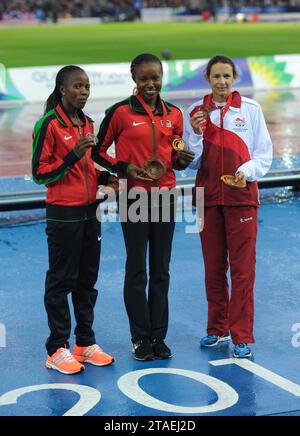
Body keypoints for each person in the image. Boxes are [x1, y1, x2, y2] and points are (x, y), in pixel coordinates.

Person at [92, 53, 194, 361]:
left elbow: (176, 153)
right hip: (134, 197)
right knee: (137, 269)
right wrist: (123, 168)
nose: (151, 84)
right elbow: (98, 152)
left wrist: (182, 160)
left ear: (162, 78)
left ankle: (158, 337)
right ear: (134, 79)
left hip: (165, 196)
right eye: (144, 78)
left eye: (156, 78)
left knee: (161, 269)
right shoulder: (119, 113)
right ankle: (139, 337)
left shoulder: (174, 114)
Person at [184, 55, 273, 358]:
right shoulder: (195, 112)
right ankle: (217, 329)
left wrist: (245, 172)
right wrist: (195, 135)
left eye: (226, 76)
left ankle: (242, 335)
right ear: (207, 78)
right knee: (213, 268)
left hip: (242, 198)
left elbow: (264, 155)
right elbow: (189, 162)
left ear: (234, 77)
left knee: (243, 270)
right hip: (206, 199)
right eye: (216, 76)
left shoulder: (250, 110)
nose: (222, 82)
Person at [32, 65, 117, 374]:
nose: (84, 91)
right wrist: (71, 155)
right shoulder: (49, 124)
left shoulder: (88, 123)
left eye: (87, 86)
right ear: (62, 89)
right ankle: (56, 348)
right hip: (63, 214)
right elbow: (39, 173)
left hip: (90, 210)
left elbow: (89, 167)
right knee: (60, 281)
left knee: (86, 280)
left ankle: (84, 343)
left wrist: (107, 176)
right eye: (77, 86)